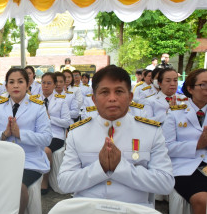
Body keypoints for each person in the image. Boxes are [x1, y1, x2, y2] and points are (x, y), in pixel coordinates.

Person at [58, 65, 174, 206]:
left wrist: (120, 167)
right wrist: (100, 168)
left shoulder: (151, 132)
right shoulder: (78, 133)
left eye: (119, 91)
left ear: (130, 97)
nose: (112, 98)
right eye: (105, 92)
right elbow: (64, 183)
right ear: (94, 100)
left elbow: (166, 184)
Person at [0, 68, 52, 214]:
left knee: (20, 187)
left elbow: (46, 139)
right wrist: (5, 134)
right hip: (2, 159)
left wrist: (20, 134)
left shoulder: (38, 107)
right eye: (11, 82)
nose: (16, 86)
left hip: (29, 160)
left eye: (20, 81)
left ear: (28, 84)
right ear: (5, 86)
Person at [162, 69, 207, 214]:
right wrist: (198, 145)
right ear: (190, 88)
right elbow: (167, 147)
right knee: (202, 199)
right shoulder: (174, 113)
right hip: (185, 168)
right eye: (203, 84)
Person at [38, 72, 71, 194]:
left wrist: (50, 118)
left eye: (49, 83)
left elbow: (67, 122)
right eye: (43, 83)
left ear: (54, 85)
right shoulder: (35, 100)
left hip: (55, 135)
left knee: (46, 150)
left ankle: (45, 181)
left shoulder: (61, 101)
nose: (45, 86)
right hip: (39, 133)